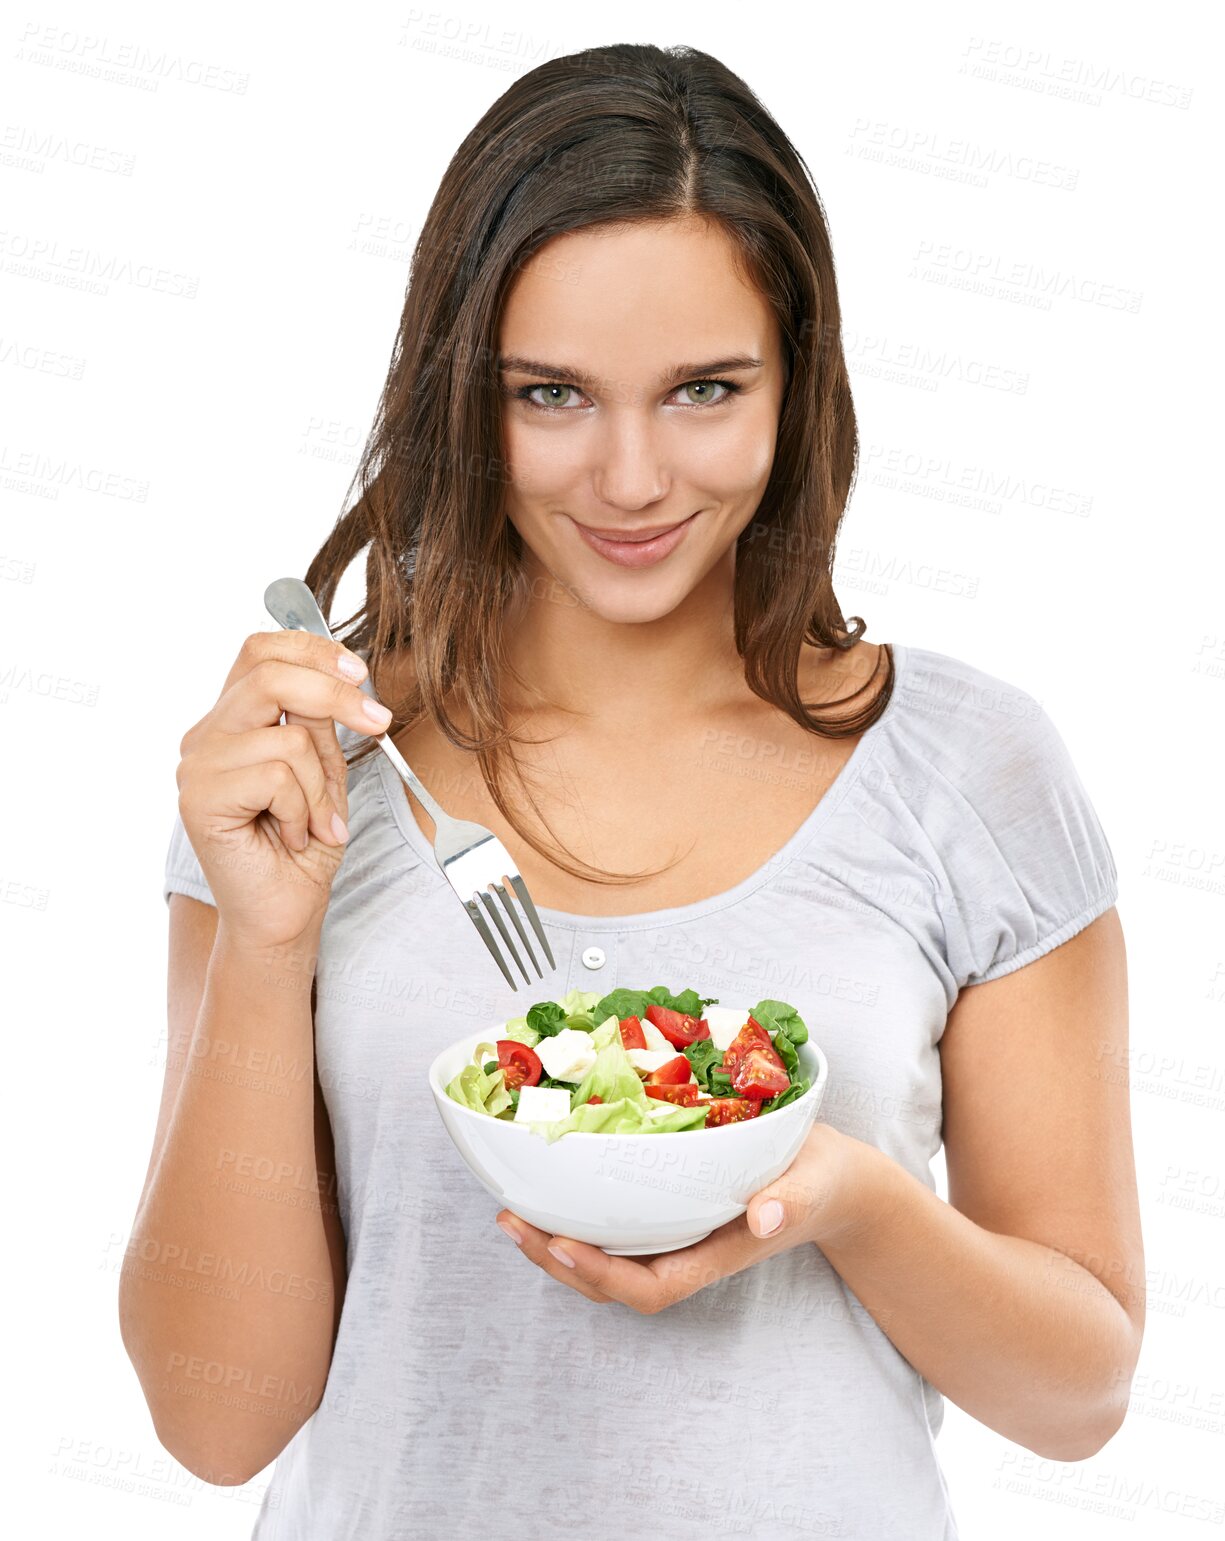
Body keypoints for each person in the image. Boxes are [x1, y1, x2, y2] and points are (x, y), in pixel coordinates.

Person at [120, 42, 1143, 1541]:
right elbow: (216, 1422)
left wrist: (838, 1199)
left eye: (702, 391)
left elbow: (1079, 1399)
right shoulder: (305, 773)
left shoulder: (969, 772)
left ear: (798, 387)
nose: (629, 476)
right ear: (466, 397)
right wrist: (270, 941)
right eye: (552, 395)